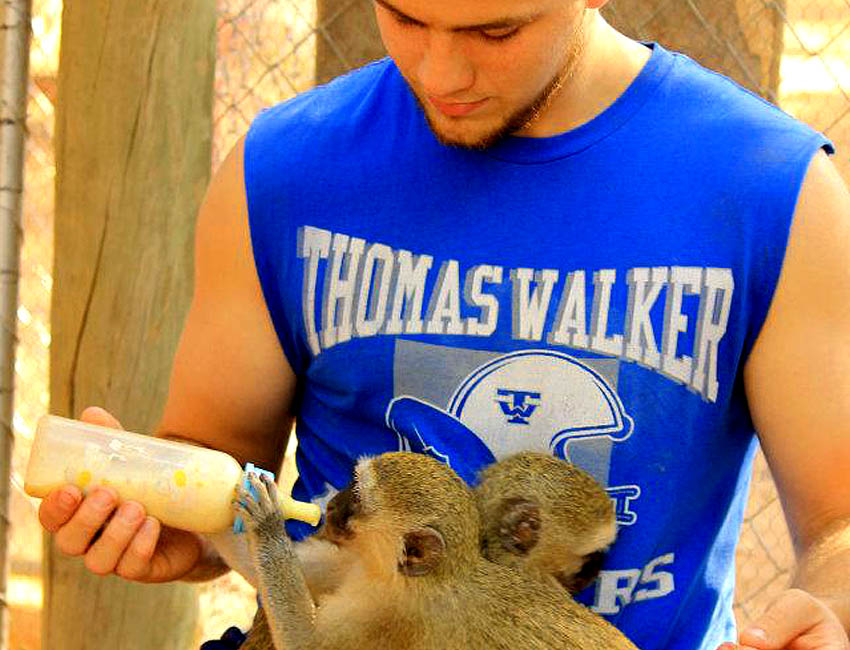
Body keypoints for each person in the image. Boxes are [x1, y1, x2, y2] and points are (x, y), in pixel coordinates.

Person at [37, 0, 850, 648]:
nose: (440, 70)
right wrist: (175, 531)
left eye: (496, 29)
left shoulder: (768, 192)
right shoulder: (284, 171)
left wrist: (835, 611)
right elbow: (216, 462)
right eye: (404, 16)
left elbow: (843, 521)